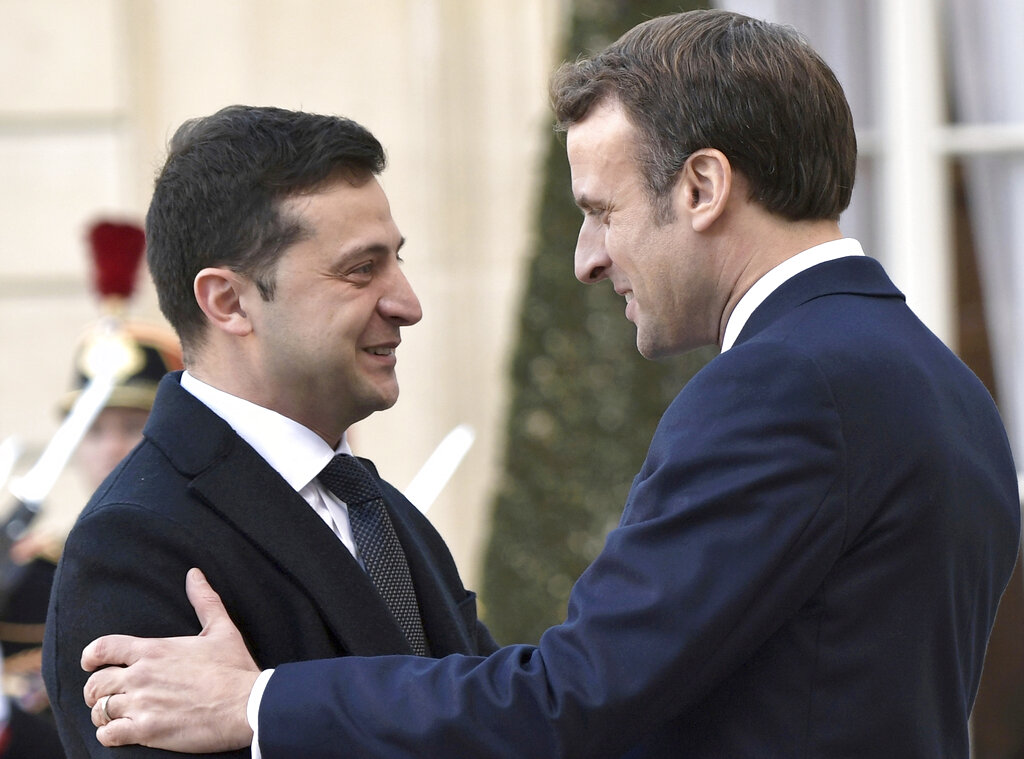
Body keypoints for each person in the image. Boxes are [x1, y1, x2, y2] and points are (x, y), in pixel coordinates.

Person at [79, 10, 1021, 759]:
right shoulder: (939, 379)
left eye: (601, 211)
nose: (586, 259)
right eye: (361, 271)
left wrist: (257, 702)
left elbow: (565, 701)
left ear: (701, 188)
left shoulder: (784, 387)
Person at [41, 105, 497, 758]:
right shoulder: (134, 543)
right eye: (361, 269)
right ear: (228, 301)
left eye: (396, 260)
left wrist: (261, 707)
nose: (407, 303)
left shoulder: (377, 508)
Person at [0, 221, 182, 759]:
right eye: (94, 430)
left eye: (132, 427)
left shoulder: (196, 556)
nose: (110, 449)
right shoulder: (31, 573)